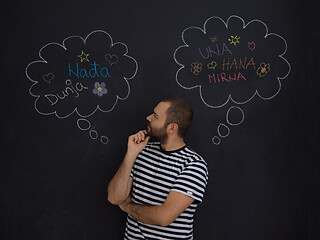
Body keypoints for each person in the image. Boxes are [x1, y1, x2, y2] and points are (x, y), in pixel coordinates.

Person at [107, 98, 209, 240]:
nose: (148, 118)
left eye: (155, 116)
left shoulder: (194, 165)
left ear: (172, 128)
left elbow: (164, 217)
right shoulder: (142, 150)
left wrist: (127, 206)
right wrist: (131, 154)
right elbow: (114, 197)